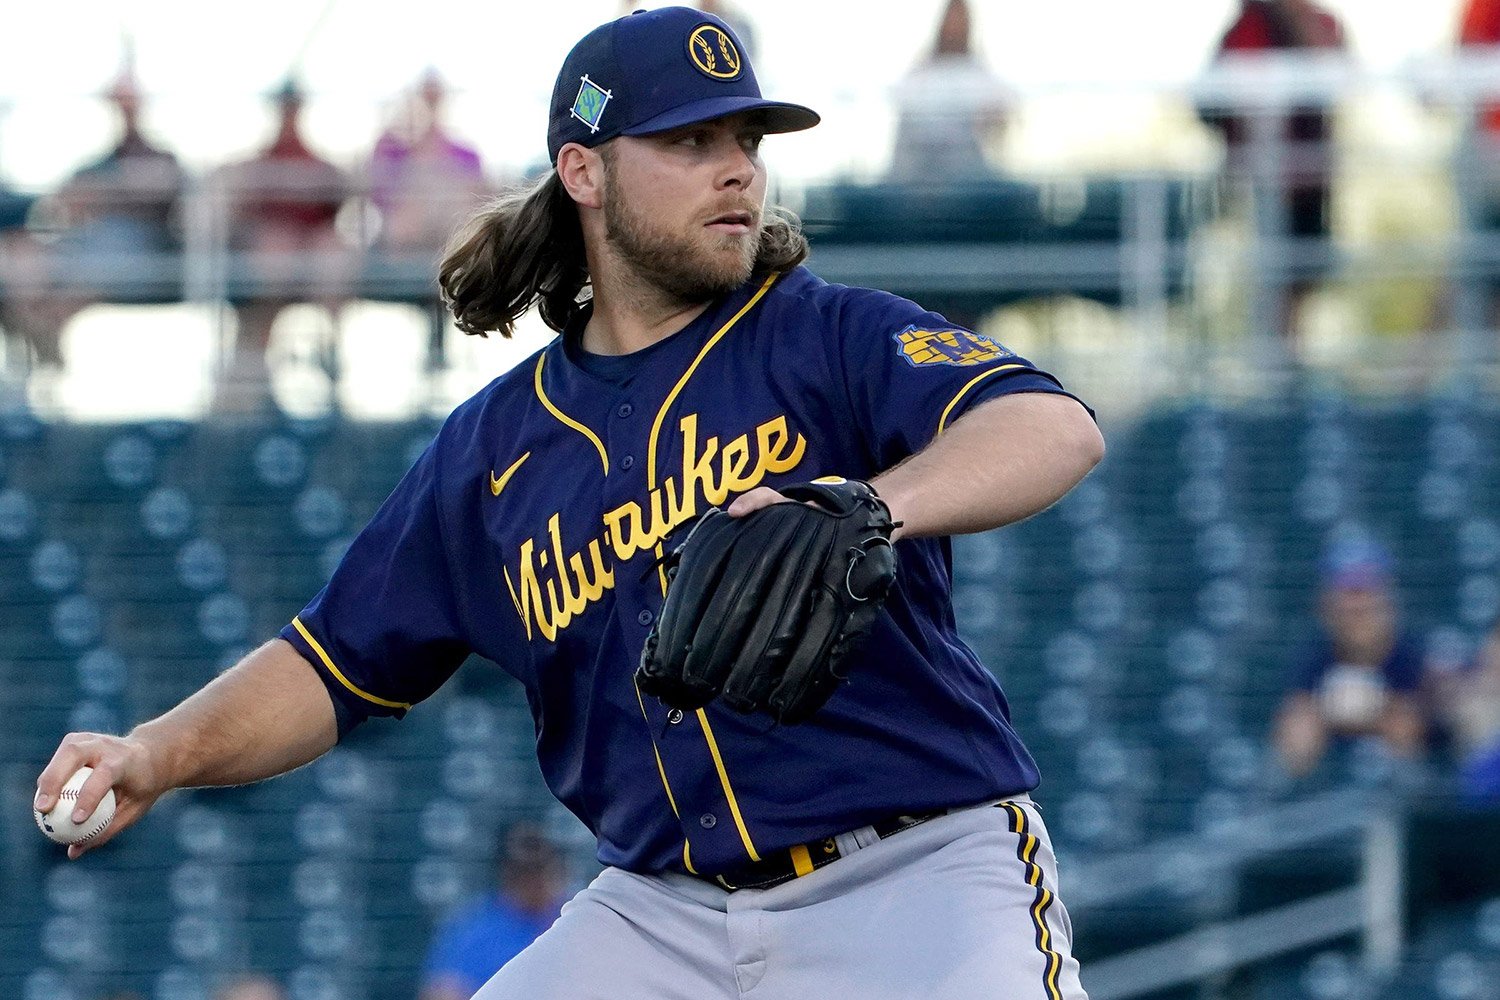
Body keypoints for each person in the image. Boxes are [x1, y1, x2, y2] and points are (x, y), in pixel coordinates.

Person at [35, 9, 1103, 999]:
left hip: (914, 874)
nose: (735, 169)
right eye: (690, 143)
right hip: (662, 915)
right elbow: (332, 660)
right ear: (582, 171)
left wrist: (870, 504)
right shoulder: (494, 449)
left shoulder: (824, 335)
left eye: (747, 141)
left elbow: (1051, 427)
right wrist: (157, 753)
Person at [0, 66, 184, 371]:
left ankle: (45, 330)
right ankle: (39, 332)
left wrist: (113, 192)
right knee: (25, 253)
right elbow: (64, 209)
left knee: (105, 255)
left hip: (138, 259)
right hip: (87, 257)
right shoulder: (95, 166)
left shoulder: (162, 158)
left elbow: (166, 199)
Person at [1199, 0, 1347, 343]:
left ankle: (1287, 366)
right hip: (1259, 184)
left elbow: (1334, 79)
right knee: (1269, 280)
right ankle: (1273, 370)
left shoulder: (1318, 22)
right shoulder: (1247, 27)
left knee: (1302, 281)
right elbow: (1221, 102)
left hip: (1309, 180)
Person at [215, 79, 352, 412]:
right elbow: (237, 209)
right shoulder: (258, 163)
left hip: (307, 267)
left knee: (330, 255)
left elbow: (336, 202)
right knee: (272, 252)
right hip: (263, 281)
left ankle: (329, 360)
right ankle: (256, 374)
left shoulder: (317, 164)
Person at [363, 69, 490, 369]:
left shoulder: (464, 154)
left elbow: (477, 202)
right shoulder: (393, 149)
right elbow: (380, 199)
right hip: (404, 247)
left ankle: (439, 334)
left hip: (448, 243)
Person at [1272, 536, 1429, 778]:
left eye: (1365, 592)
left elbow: (1408, 734)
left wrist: (1351, 710)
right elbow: (1295, 740)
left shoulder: (1409, 653)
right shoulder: (1315, 655)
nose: (1357, 605)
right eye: (1347, 593)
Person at [419, 822, 569, 1000]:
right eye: (524, 871)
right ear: (506, 871)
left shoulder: (574, 915)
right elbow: (442, 993)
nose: (534, 880)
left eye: (540, 868)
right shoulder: (473, 928)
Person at [887, 0, 1011, 184]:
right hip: (916, 182)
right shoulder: (919, 74)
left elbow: (1000, 123)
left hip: (968, 182)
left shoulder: (981, 77)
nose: (955, 27)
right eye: (951, 19)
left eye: (960, 20)